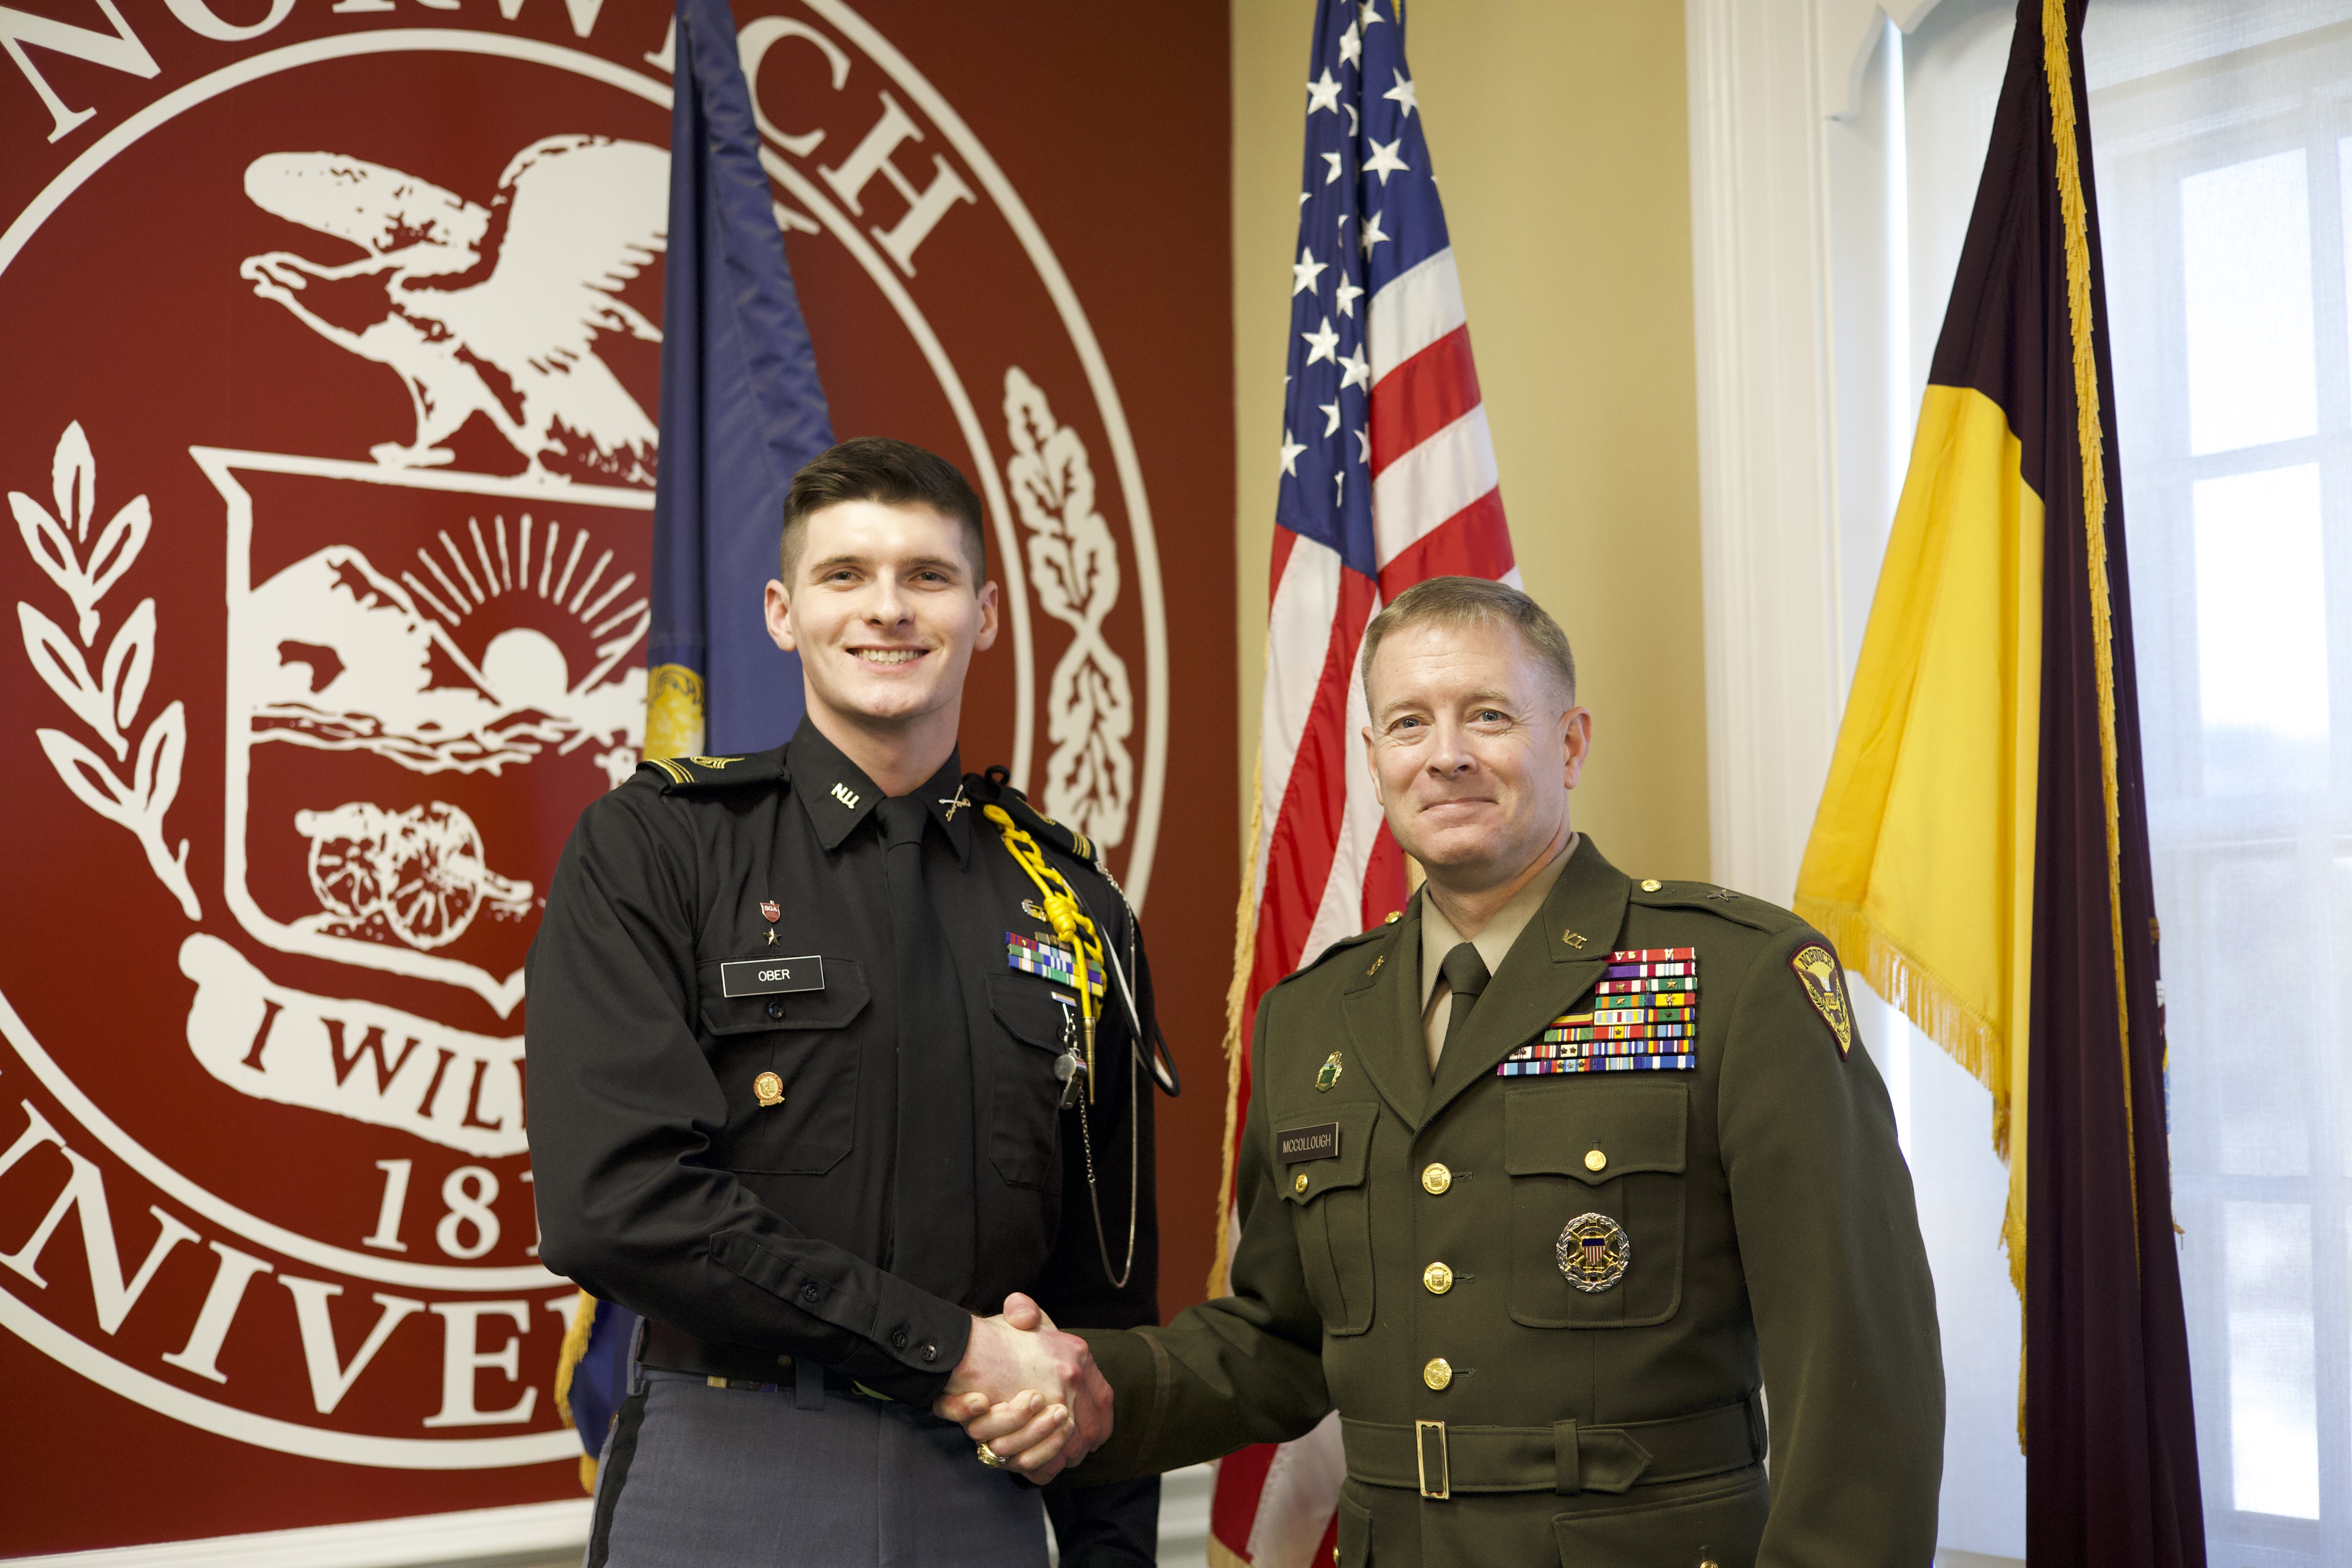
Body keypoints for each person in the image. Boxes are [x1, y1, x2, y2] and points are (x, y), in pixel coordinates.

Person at [950, 576, 1945, 1566]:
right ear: (1376, 762)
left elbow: (1860, 1371)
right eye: (1410, 724)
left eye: (1489, 715)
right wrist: (1090, 1386)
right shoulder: (1309, 1019)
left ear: (1571, 741)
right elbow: (1281, 1341)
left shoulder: (1738, 979)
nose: (1448, 755)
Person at [526, 437, 1160, 1568]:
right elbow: (613, 1205)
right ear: (782, 612)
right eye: (844, 575)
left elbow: (1103, 1291)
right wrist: (950, 1351)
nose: (890, 610)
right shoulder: (658, 846)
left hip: (992, 1483)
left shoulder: (1075, 902)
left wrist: (1109, 1553)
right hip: (733, 1465)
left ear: (987, 612)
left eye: (928, 575)